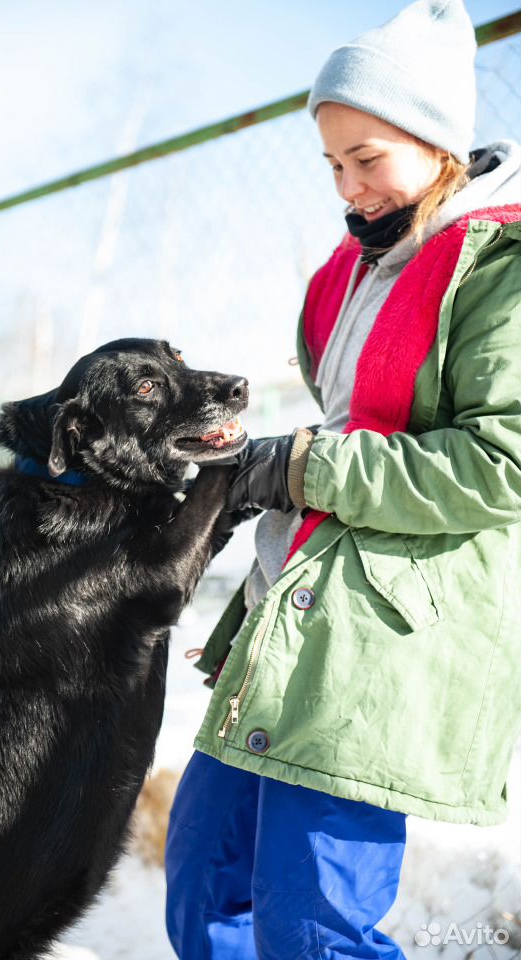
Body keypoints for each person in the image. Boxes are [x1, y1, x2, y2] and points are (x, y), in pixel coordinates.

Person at [164, 0, 521, 957]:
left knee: (313, 925)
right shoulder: (350, 272)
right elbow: (347, 424)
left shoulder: (497, 269)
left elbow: (501, 462)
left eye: (368, 159)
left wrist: (300, 466)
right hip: (290, 621)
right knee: (203, 887)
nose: (349, 187)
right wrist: (253, 463)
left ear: (438, 144)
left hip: (382, 639)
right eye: (332, 164)